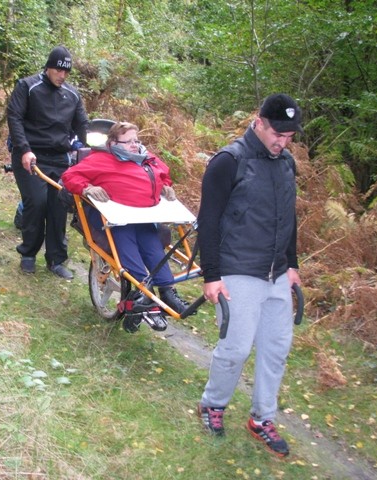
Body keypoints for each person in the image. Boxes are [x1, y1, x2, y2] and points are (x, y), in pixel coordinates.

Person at [196, 93, 303, 457]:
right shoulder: (229, 161)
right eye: (278, 133)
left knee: (276, 348)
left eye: (290, 137)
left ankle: (261, 418)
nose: (282, 141)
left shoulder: (286, 164)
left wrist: (292, 264)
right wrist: (211, 275)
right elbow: (208, 221)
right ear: (259, 122)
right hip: (238, 267)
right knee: (237, 347)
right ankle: (212, 404)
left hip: (275, 272)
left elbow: (288, 217)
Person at [61, 121, 189, 332]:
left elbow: (163, 174)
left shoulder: (147, 159)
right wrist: (87, 188)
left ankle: (167, 290)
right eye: (128, 141)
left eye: (136, 140)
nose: (133, 145)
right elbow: (70, 176)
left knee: (151, 242)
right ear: (114, 143)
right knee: (125, 236)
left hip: (143, 215)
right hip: (111, 216)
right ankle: (142, 288)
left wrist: (165, 186)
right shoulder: (102, 159)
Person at [7, 46, 88, 280]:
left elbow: (82, 125)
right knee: (37, 202)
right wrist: (24, 150)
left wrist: (88, 147)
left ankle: (56, 260)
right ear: (48, 67)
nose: (62, 76)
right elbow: (15, 118)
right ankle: (28, 254)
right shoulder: (28, 87)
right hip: (30, 156)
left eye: (66, 72)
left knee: (58, 206)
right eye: (58, 70)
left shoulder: (72, 95)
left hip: (60, 159)